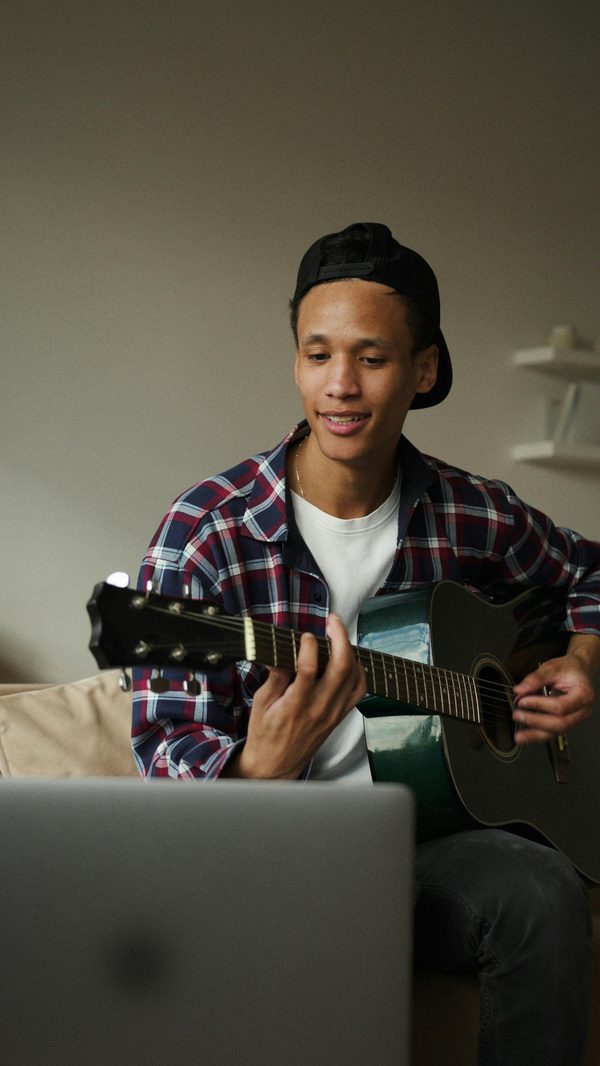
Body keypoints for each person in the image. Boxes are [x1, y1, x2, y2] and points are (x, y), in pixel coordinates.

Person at [132, 222, 599, 1065]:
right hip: (275, 853)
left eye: (372, 358)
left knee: (540, 889)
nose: (340, 386)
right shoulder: (206, 533)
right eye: (318, 355)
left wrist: (583, 658)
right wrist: (258, 769)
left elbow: (588, 572)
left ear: (423, 370)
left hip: (429, 843)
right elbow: (164, 752)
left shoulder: (473, 512)